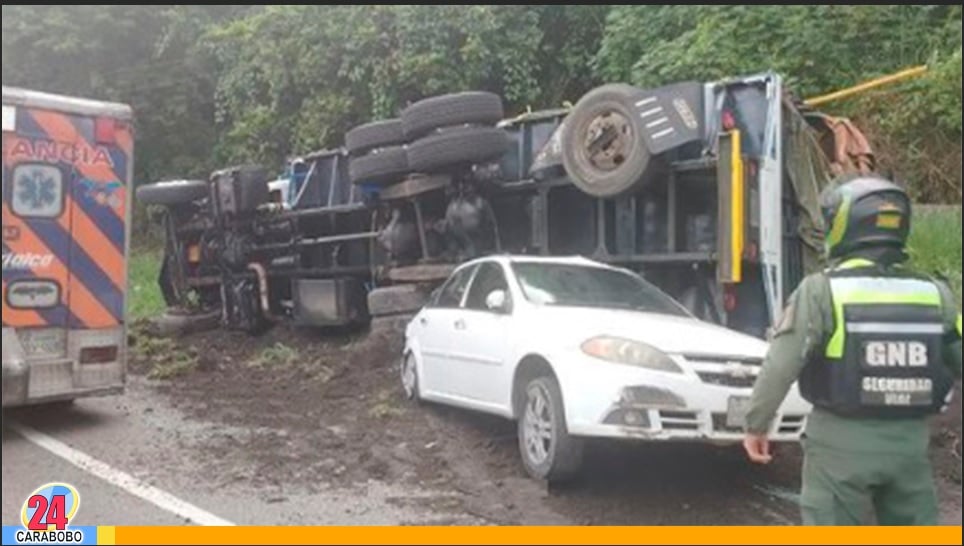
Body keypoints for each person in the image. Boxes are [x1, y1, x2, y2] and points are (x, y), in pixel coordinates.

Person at [743, 175, 962, 526]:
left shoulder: (820, 291)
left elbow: (781, 364)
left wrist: (755, 423)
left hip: (838, 446)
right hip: (909, 447)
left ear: (841, 225)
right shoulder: (935, 293)